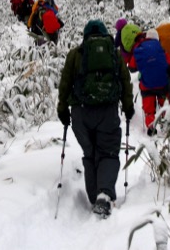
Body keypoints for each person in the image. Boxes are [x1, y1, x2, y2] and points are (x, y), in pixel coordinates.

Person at [57, 20, 134, 218]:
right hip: (107, 112)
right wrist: (128, 107)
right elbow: (125, 82)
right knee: (108, 153)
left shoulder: (76, 54)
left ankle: (94, 198)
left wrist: (63, 110)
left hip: (81, 114)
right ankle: (104, 194)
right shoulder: (114, 54)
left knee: (90, 154)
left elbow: (65, 84)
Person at [122, 24, 170, 136]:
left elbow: (131, 67)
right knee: (164, 103)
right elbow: (169, 63)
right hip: (162, 83)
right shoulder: (160, 47)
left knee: (149, 108)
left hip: (147, 86)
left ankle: (151, 128)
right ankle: (168, 123)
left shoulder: (138, 49)